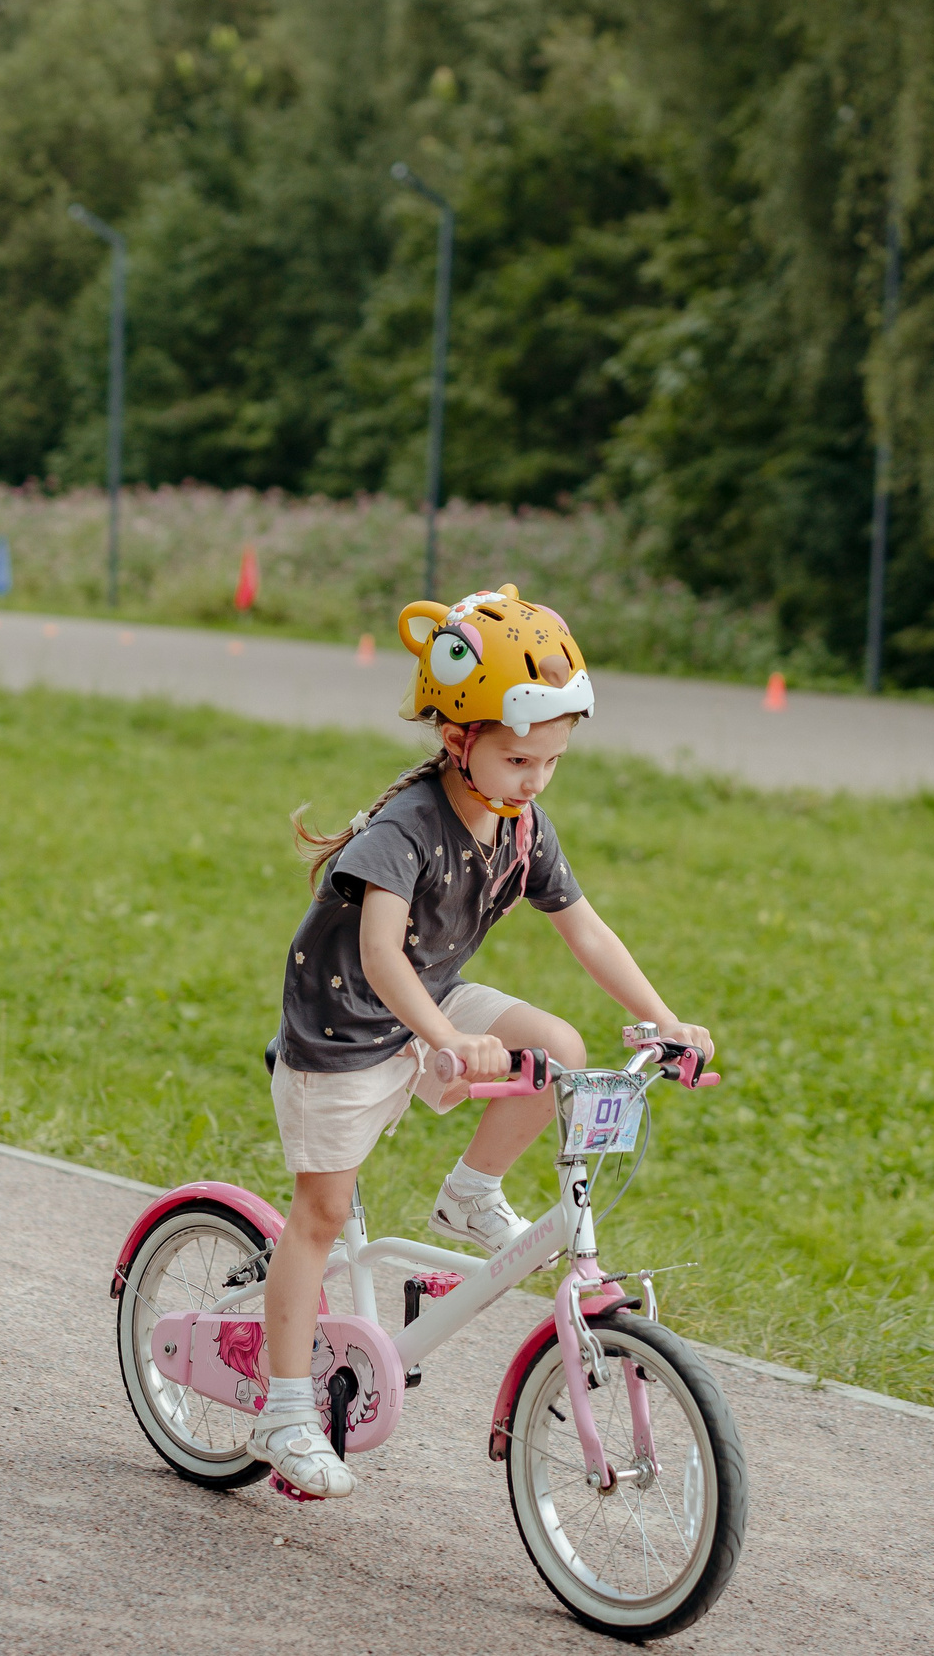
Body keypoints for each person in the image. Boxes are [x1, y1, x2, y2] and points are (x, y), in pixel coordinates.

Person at [254, 585, 714, 1501]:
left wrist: (665, 1021)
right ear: (456, 735)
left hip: (427, 1001)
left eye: (551, 759)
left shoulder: (520, 823)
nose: (535, 778)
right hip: (345, 1026)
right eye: (517, 757)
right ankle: (284, 1407)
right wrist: (447, 1042)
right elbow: (380, 953)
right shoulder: (408, 826)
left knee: (559, 1047)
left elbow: (587, 930)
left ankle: (471, 1193)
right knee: (320, 1216)